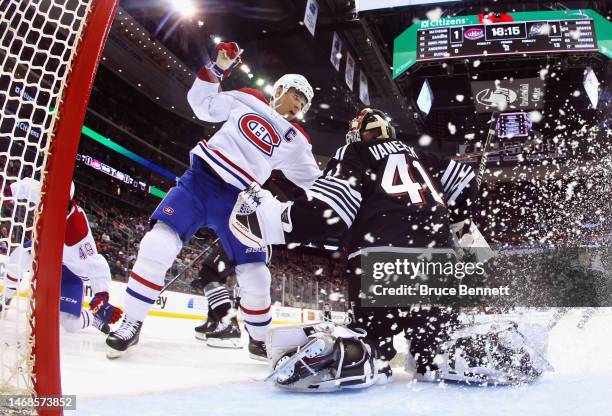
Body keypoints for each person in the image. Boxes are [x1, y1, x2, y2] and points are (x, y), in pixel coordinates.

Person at [231, 108, 551, 390]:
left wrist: (276, 220)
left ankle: (359, 357)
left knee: (373, 346)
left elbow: (330, 211)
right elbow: (466, 181)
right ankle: (449, 353)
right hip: (438, 263)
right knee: (434, 353)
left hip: (380, 259)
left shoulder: (355, 152)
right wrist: (456, 221)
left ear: (359, 133)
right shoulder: (422, 155)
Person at [106, 41, 321, 360]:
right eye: (296, 95)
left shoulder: (297, 141)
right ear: (279, 89)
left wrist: (352, 165)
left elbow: (315, 181)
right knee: (157, 244)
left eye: (303, 102)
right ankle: (131, 322)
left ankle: (260, 340)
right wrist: (217, 69)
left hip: (240, 202)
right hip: (200, 182)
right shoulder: (247, 98)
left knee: (256, 273)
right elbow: (202, 104)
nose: (298, 105)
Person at [1, 179, 122, 334]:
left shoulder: (77, 230)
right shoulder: (46, 193)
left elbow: (96, 263)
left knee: (69, 324)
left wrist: (101, 295)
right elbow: (26, 187)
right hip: (45, 250)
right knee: (19, 256)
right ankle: (6, 296)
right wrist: (7, 192)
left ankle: (91, 319)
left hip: (69, 270)